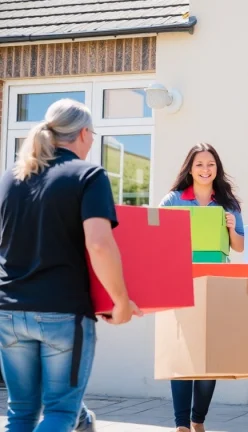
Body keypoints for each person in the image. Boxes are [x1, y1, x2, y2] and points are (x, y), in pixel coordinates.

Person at [0, 98, 142, 431]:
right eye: (93, 134)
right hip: (62, 314)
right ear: (81, 133)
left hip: (8, 312)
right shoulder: (89, 175)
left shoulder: (11, 178)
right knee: (61, 411)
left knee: (21, 412)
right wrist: (120, 302)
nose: (93, 141)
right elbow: (98, 244)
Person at [159, 143, 245, 432]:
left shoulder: (227, 202)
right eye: (199, 164)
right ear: (190, 168)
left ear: (217, 168)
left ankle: (198, 420)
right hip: (180, 284)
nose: (205, 170)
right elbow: (156, 235)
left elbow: (240, 247)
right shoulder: (174, 199)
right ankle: (181, 424)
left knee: (209, 359)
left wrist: (232, 227)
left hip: (216, 287)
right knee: (183, 356)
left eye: (210, 164)